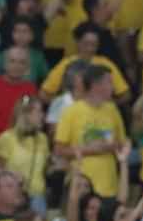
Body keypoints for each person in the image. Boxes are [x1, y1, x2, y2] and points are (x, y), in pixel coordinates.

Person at [54, 65, 128, 198]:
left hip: (109, 186)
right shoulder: (71, 111)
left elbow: (123, 144)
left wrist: (112, 146)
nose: (113, 87)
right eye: (109, 82)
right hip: (81, 186)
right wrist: (91, 150)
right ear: (96, 86)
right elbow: (59, 150)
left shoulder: (112, 110)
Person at [0, 96, 49, 215]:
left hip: (37, 197)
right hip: (13, 197)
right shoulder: (6, 138)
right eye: (38, 111)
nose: (42, 115)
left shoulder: (43, 139)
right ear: (25, 114)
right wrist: (11, 176)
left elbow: (44, 168)